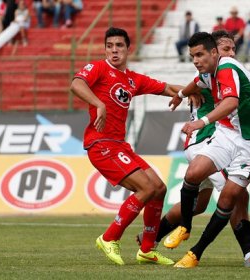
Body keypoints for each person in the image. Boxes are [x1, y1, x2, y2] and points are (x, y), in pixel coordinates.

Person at [70, 27, 183, 266]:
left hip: (120, 146)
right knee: (145, 188)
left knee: (159, 188)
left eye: (119, 45)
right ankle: (109, 237)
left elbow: (167, 88)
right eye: (109, 45)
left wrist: (190, 93)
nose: (114, 50)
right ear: (105, 49)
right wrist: (98, 103)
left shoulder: (132, 79)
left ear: (127, 49)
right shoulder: (98, 68)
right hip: (101, 145)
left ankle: (147, 249)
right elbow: (76, 84)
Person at [166, 31, 250, 268]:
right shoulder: (209, 72)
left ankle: (195, 253)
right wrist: (181, 94)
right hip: (227, 133)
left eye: (200, 54)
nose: (196, 60)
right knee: (193, 173)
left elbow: (231, 102)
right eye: (192, 56)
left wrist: (201, 122)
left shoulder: (226, 68)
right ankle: (185, 228)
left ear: (214, 53)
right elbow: (196, 82)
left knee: (228, 198)